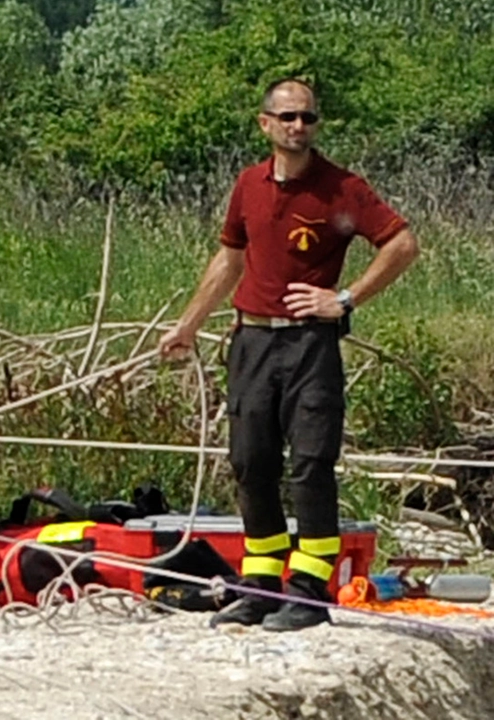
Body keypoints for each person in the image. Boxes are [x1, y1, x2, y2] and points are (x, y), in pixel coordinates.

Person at [158, 79, 419, 631]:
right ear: (265, 124)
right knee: (251, 462)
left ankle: (309, 590)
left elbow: (402, 244)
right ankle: (260, 582)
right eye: (288, 117)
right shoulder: (248, 185)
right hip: (252, 339)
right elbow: (229, 259)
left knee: (310, 465)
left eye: (307, 118)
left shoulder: (341, 188)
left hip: (309, 343)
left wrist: (344, 297)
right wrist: (187, 325)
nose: (298, 127)